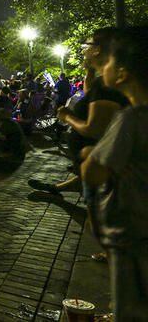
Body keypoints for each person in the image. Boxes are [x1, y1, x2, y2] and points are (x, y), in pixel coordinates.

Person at [81, 26, 148, 319]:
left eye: (107, 62)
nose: (103, 65)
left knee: (130, 310)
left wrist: (87, 155)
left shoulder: (131, 119)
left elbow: (93, 172)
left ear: (121, 73)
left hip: (132, 236)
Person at [28, 28, 129, 195]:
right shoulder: (100, 84)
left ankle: (59, 188)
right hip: (95, 162)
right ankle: (57, 188)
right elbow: (91, 95)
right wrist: (88, 70)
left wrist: (67, 116)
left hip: (100, 164)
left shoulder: (106, 85)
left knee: (95, 217)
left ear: (98, 50)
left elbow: (94, 129)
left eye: (86, 45)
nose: (83, 50)